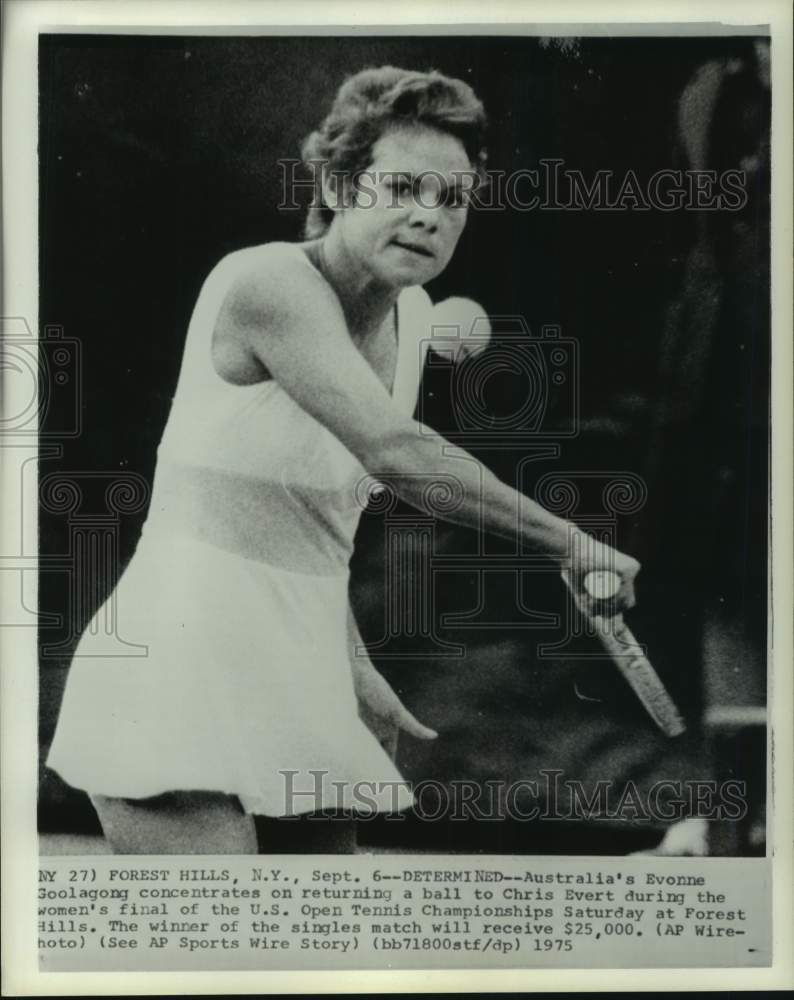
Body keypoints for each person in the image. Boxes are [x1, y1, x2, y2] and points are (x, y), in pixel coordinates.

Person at [46, 65, 639, 854]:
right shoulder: (265, 283)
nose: (428, 217)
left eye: (452, 199)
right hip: (174, 665)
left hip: (303, 674)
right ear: (338, 181)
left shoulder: (416, 320)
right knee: (220, 961)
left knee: (320, 963)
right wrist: (570, 539)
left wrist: (348, 665)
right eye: (401, 186)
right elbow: (397, 453)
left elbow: (316, 529)